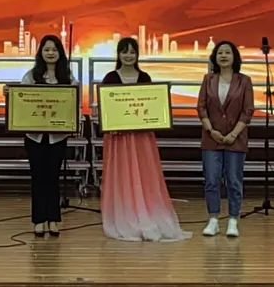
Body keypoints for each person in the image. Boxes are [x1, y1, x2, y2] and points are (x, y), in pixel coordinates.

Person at [99, 37, 190, 242]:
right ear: (118, 54)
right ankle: (124, 215)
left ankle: (146, 213)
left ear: (137, 55)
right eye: (124, 51)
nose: (128, 56)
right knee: (122, 175)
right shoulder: (110, 78)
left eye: (132, 52)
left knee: (144, 175)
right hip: (118, 139)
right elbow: (106, 109)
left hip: (141, 138)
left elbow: (152, 106)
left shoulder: (145, 77)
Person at [16, 34, 73, 238]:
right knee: (38, 178)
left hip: (58, 137)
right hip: (35, 136)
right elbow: (21, 100)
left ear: (60, 53)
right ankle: (39, 220)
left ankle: (53, 220)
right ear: (40, 52)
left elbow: (73, 103)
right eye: (47, 49)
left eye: (54, 49)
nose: (50, 53)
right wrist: (9, 94)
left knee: (53, 178)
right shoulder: (31, 76)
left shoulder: (67, 77)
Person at [197, 40, 255, 238]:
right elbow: (201, 107)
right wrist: (210, 130)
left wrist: (233, 134)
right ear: (214, 57)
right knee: (212, 180)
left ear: (234, 57)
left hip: (235, 139)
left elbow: (248, 111)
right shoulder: (208, 79)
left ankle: (233, 220)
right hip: (211, 138)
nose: (223, 56)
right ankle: (213, 219)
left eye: (227, 52)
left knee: (234, 181)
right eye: (220, 52)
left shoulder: (244, 81)